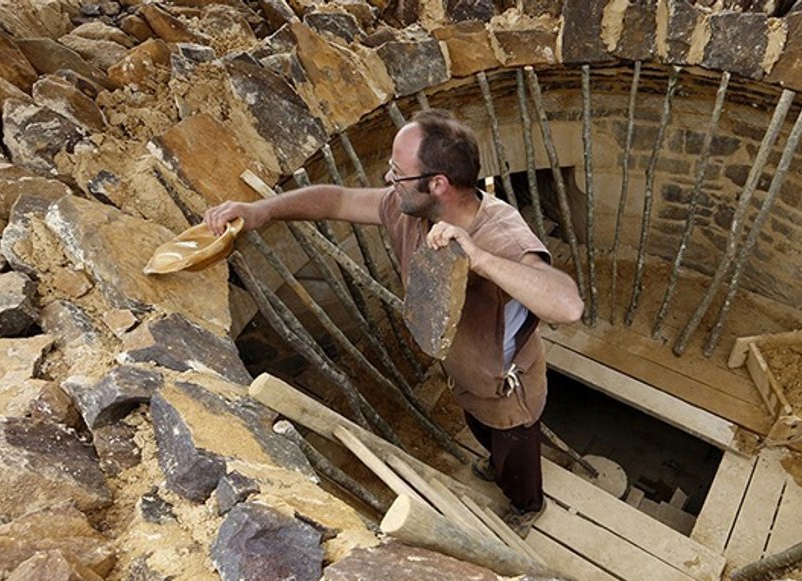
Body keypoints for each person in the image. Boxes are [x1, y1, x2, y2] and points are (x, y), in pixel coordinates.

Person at [204, 109, 584, 532]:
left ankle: (527, 504)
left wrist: (477, 257)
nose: (388, 180)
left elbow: (566, 305)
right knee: (482, 433)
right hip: (465, 375)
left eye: (397, 172)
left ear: (437, 183)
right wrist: (262, 211)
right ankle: (495, 462)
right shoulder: (410, 209)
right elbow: (338, 199)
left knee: (516, 456)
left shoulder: (501, 234)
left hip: (507, 391)